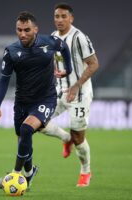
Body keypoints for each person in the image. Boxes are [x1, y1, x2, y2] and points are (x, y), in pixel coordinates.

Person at [0, 11, 72, 190]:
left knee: (27, 129)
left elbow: (64, 47)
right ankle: (29, 172)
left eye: (27, 30)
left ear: (36, 29)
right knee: (23, 141)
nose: (22, 34)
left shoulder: (49, 43)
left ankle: (15, 174)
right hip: (22, 102)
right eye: (19, 30)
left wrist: (69, 69)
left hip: (46, 98)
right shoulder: (11, 51)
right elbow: (4, 79)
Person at [41, 3, 99, 187]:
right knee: (38, 121)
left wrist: (76, 85)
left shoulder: (79, 38)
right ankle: (66, 139)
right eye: (57, 16)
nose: (59, 19)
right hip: (59, 91)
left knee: (79, 138)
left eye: (63, 16)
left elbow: (93, 64)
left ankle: (85, 171)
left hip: (79, 93)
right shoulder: (52, 37)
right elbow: (53, 62)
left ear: (71, 18)